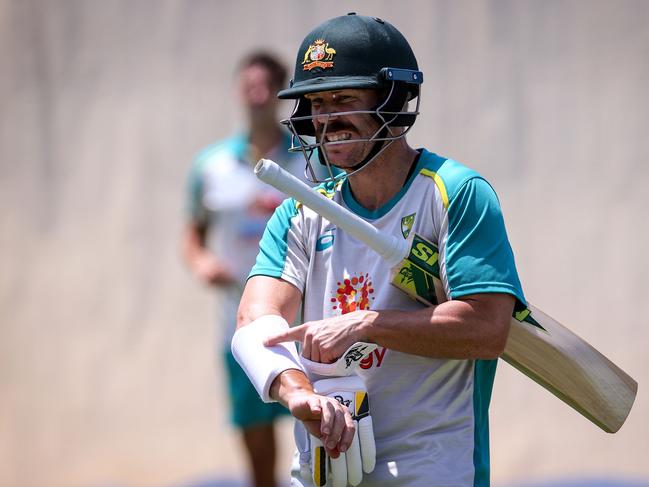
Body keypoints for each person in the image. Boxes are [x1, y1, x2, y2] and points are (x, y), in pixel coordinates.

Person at [232, 14, 527, 487]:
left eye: (345, 98)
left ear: (392, 99)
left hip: (432, 469)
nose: (327, 118)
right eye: (317, 103)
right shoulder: (299, 213)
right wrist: (298, 394)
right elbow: (254, 324)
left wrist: (367, 324)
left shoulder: (455, 192)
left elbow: (489, 328)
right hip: (323, 469)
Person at [183, 51, 307, 487]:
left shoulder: (309, 160)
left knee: (320, 428)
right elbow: (192, 234)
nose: (256, 94)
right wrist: (202, 261)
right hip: (239, 324)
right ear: (239, 91)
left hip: (307, 323)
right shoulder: (210, 166)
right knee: (256, 444)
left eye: (265, 85)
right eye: (248, 85)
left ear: (279, 93)